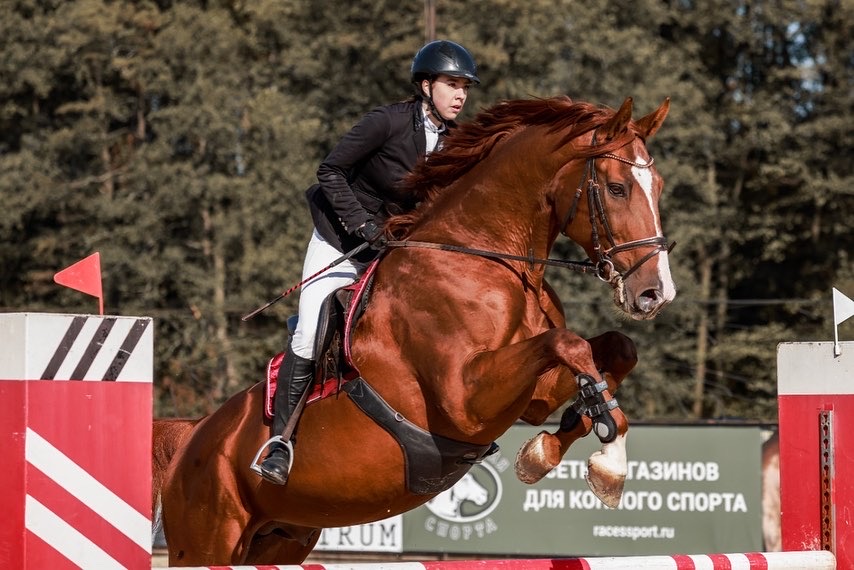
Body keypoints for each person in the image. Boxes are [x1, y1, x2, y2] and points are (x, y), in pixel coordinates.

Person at [255, 40, 480, 485]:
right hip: (341, 238)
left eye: (465, 88)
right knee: (310, 327)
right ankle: (280, 442)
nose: (460, 95)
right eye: (452, 85)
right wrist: (362, 226)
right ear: (426, 85)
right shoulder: (387, 122)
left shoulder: (457, 142)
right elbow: (330, 171)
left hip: (395, 247)